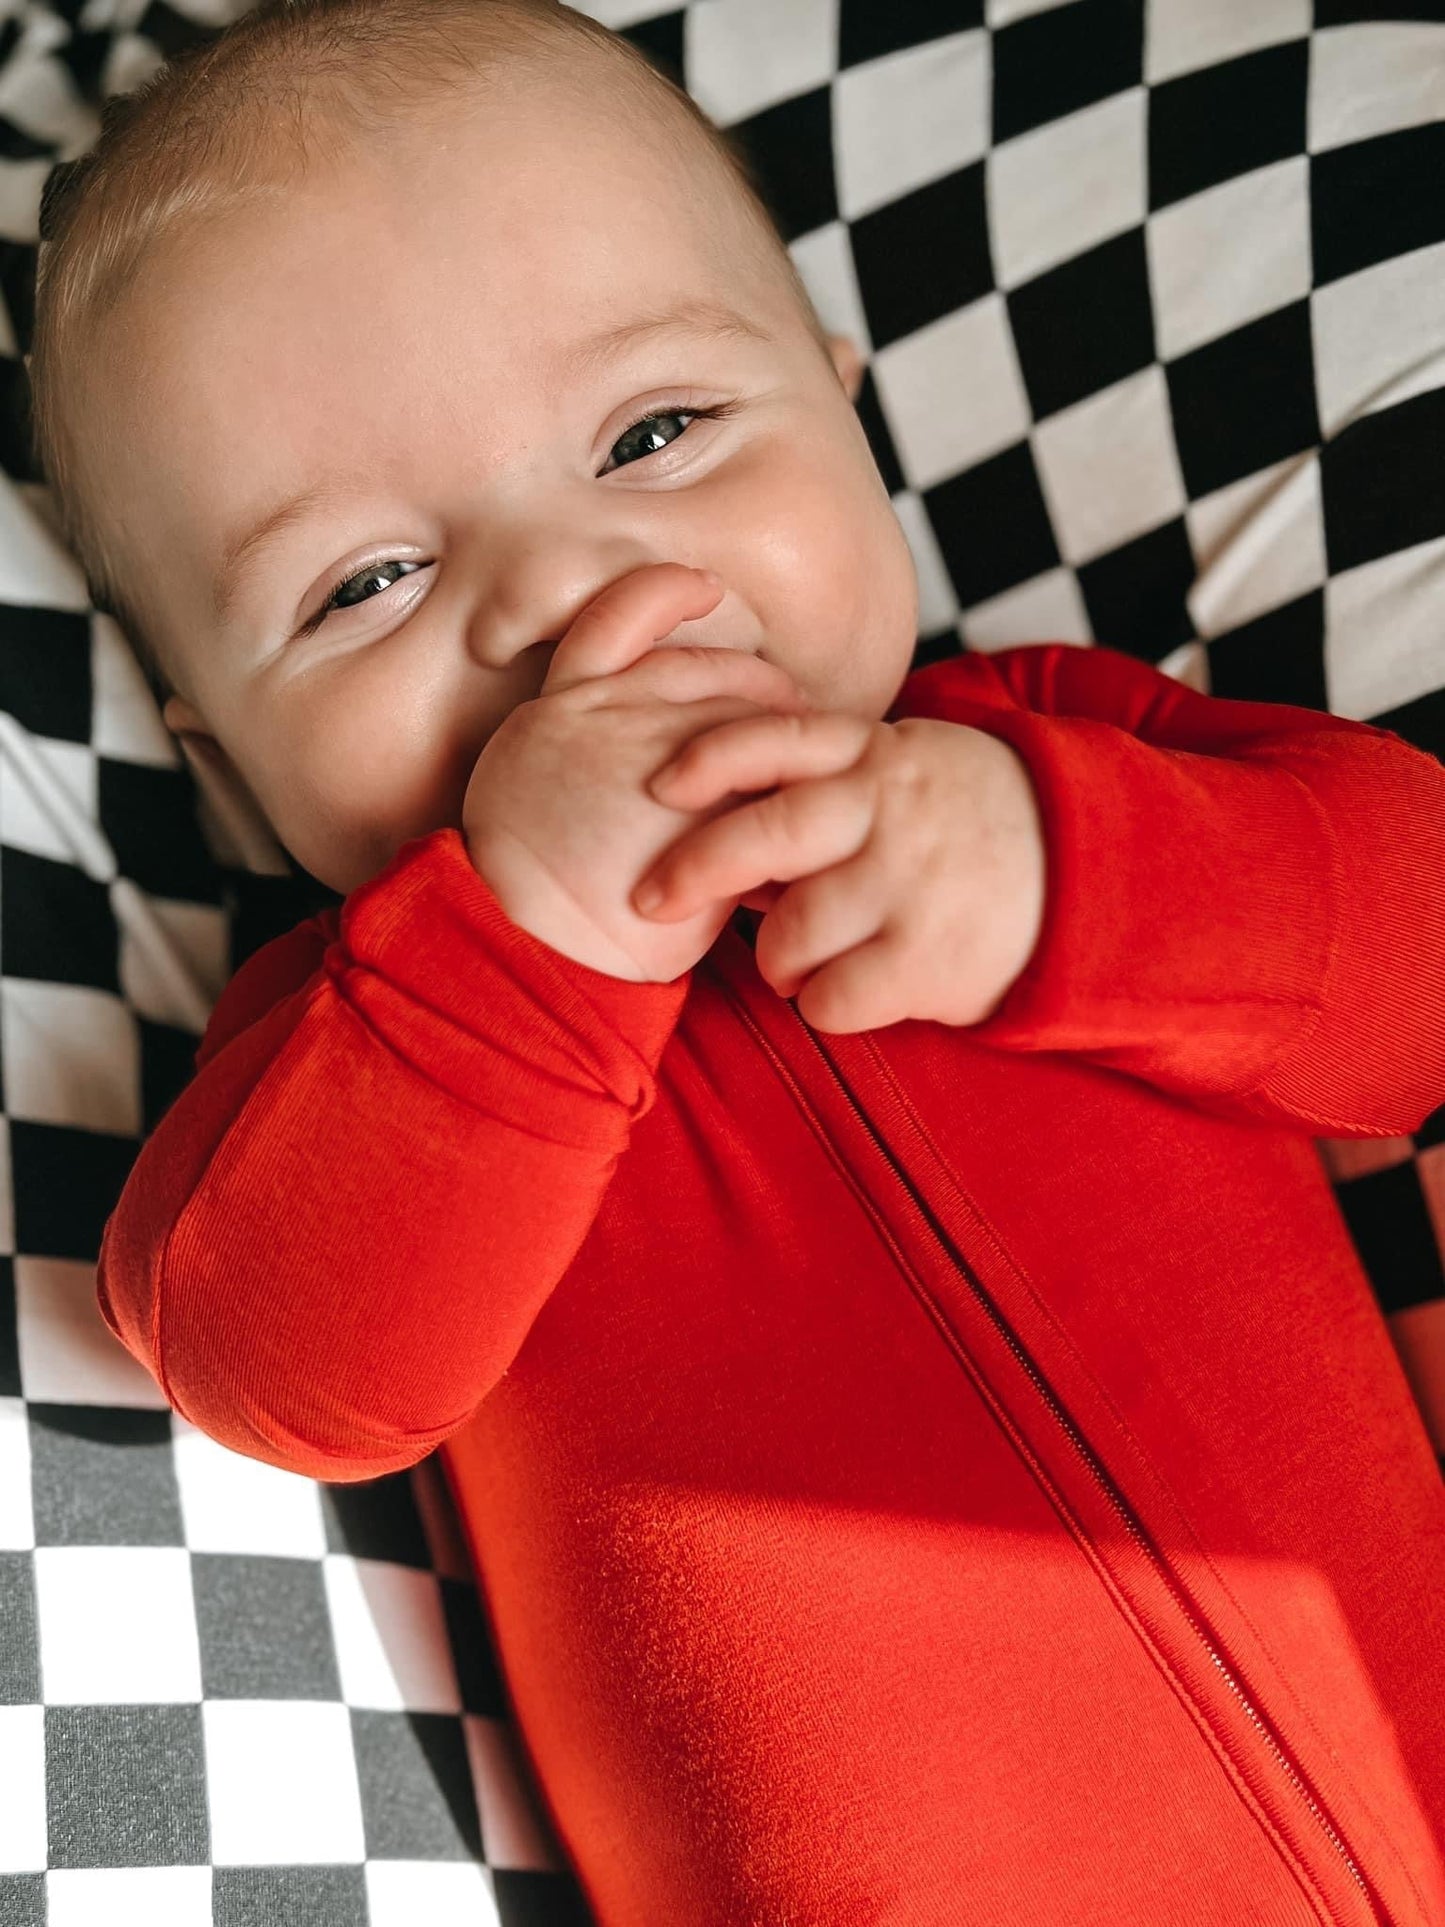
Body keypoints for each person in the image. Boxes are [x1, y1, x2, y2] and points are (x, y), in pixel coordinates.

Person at [28, 0, 1445, 1920]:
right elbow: (281, 1373)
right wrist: (535, 943)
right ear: (219, 748)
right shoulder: (341, 1053)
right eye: (367, 585)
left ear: (845, 412)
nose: (562, 594)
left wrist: (1067, 882)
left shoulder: (1056, 751)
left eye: (657, 433)